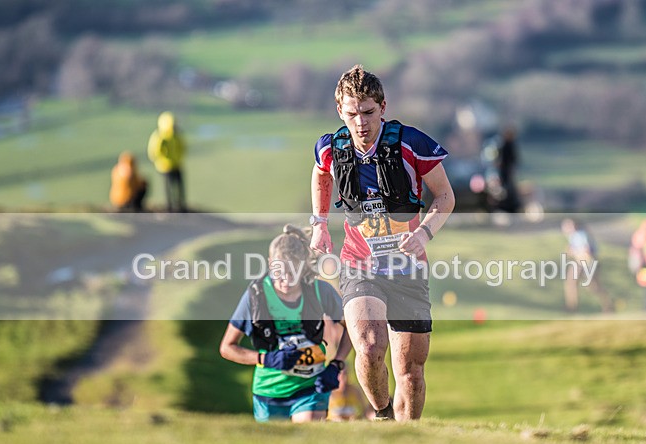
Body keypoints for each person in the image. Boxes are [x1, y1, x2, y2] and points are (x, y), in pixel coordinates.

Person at [309, 65, 455, 421]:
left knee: (410, 372)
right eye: (352, 113)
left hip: (407, 267)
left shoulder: (411, 144)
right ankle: (382, 414)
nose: (360, 122)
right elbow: (321, 174)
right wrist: (320, 224)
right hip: (359, 264)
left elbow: (445, 197)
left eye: (369, 112)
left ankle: (408, 435)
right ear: (340, 111)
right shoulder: (331, 148)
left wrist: (423, 233)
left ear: (383, 107)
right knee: (371, 347)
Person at [219, 225, 352, 423]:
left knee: (307, 436)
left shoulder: (319, 291)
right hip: (268, 391)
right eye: (279, 271)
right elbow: (227, 348)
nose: (287, 279)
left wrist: (336, 364)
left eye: (294, 271)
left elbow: (353, 327)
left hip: (311, 387)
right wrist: (266, 359)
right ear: (270, 263)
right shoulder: (256, 296)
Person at [560, 218, 614, 313]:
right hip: (580, 262)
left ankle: (608, 306)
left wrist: (573, 252)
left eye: (567, 226)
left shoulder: (580, 234)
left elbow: (586, 251)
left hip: (588, 262)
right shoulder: (573, 236)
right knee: (571, 282)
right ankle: (571, 308)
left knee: (593, 287)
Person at [147, 111, 186, 212]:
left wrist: (179, 158)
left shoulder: (175, 135)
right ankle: (170, 206)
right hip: (164, 166)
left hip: (176, 164)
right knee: (168, 186)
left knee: (178, 184)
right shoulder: (160, 136)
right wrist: (162, 161)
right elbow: (154, 151)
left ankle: (180, 204)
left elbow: (182, 147)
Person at [495, 127, 521, 214]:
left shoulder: (509, 145)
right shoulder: (504, 145)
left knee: (509, 190)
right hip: (504, 173)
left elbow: (512, 160)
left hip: (507, 173)